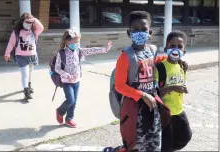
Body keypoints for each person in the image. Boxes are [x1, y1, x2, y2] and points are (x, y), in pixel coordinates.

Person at [113, 11, 169, 152]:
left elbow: (154, 61)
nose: (140, 33)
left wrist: (175, 60)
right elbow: (119, 85)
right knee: (135, 144)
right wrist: (142, 95)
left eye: (143, 29)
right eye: (135, 30)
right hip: (135, 108)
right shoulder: (125, 57)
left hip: (152, 105)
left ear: (150, 32)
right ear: (129, 33)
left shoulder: (152, 50)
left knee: (154, 140)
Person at [55, 28, 113, 128]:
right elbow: (57, 68)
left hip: (77, 81)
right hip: (67, 82)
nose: (77, 44)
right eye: (75, 42)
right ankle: (60, 111)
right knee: (70, 100)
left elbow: (91, 50)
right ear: (67, 42)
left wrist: (105, 49)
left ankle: (69, 119)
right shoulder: (61, 53)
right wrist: (66, 75)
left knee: (74, 102)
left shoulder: (78, 51)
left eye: (78, 42)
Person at [155, 31, 192, 152]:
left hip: (179, 109)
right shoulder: (160, 68)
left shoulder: (182, 66)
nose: (176, 49)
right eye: (172, 46)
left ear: (184, 51)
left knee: (186, 136)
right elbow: (155, 93)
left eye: (179, 46)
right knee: (166, 144)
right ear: (166, 49)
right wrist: (173, 87)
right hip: (165, 112)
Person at [4, 13, 44, 100]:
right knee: (25, 73)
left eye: (30, 22)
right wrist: (7, 53)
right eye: (27, 21)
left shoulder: (34, 31)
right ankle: (26, 92)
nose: (28, 24)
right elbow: (11, 43)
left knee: (30, 72)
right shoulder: (17, 32)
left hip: (32, 55)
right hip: (21, 55)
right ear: (22, 21)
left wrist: (34, 20)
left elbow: (41, 28)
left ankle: (28, 85)